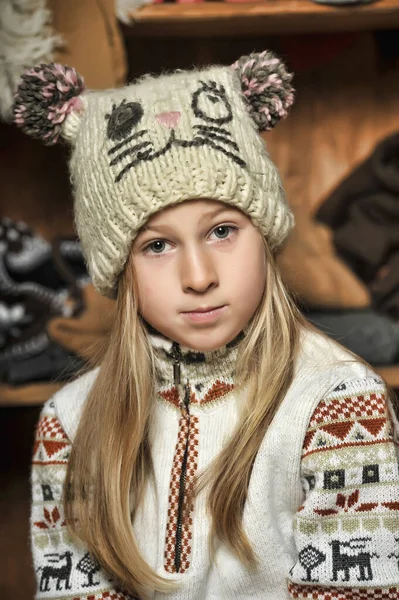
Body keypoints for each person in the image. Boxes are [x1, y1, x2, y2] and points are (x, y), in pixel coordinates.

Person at [13, 53, 399, 600]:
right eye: (157, 245)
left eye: (221, 230)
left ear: (264, 237)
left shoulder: (337, 400)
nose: (199, 277)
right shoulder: (70, 426)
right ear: (121, 271)